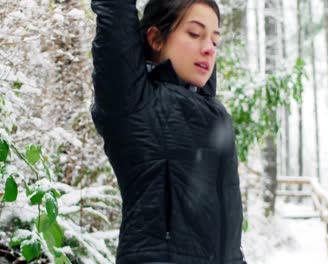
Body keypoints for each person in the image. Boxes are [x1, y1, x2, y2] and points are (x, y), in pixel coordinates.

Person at [90, 0, 247, 263]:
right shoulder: (133, 103)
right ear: (155, 38)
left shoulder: (216, 115)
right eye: (195, 34)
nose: (209, 49)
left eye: (215, 40)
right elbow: (114, 12)